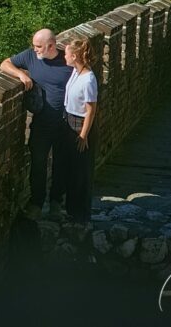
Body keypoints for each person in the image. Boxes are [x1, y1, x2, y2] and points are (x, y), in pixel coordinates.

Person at [0, 28, 72, 219]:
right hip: (41, 124)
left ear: (51, 45)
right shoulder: (31, 57)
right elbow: (5, 64)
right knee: (38, 163)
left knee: (62, 164)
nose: (36, 49)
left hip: (65, 124)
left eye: (39, 46)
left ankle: (57, 202)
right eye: (34, 46)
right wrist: (21, 75)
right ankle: (37, 203)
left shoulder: (68, 61)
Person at [63, 35, 99, 223]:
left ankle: (81, 214)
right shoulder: (76, 72)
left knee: (81, 171)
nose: (64, 57)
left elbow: (91, 110)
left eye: (67, 54)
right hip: (69, 121)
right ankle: (71, 210)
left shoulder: (88, 80)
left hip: (80, 125)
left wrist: (83, 135)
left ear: (75, 56)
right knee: (71, 168)